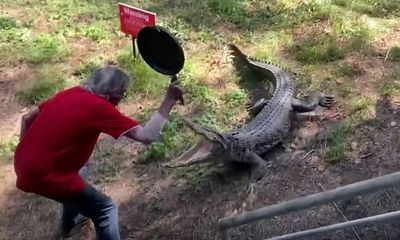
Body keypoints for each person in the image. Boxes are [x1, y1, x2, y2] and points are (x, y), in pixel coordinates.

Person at [13, 65, 184, 239]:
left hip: (23, 162)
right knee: (106, 209)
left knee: (82, 171)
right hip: (44, 175)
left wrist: (25, 151)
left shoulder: (71, 93)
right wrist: (169, 100)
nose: (122, 98)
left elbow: (27, 118)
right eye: (122, 93)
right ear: (111, 93)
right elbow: (148, 136)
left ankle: (69, 224)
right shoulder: (99, 107)